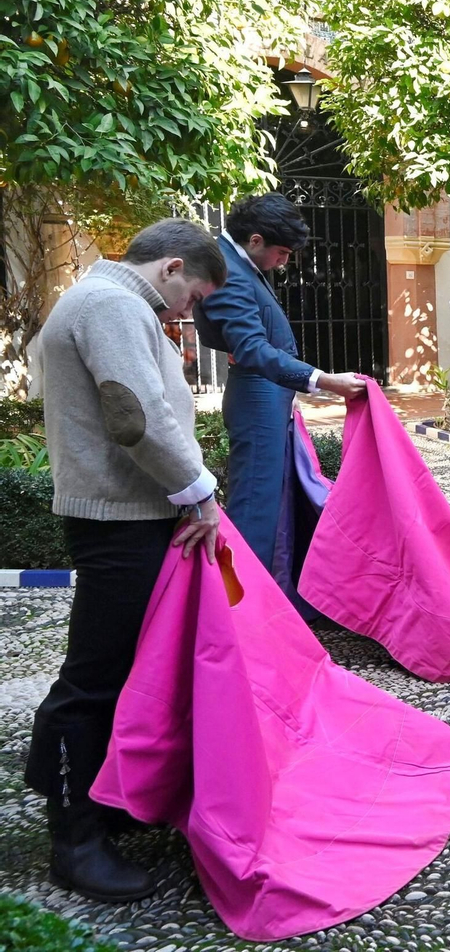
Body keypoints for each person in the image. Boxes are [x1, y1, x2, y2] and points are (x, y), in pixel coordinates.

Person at [26, 219, 228, 902]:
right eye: (194, 295)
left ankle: (95, 802)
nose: (188, 310)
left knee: (117, 668)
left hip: (119, 513)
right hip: (121, 521)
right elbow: (135, 416)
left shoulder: (91, 298)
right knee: (96, 676)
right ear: (172, 267)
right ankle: (74, 840)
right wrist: (199, 492)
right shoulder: (114, 306)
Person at [194, 194, 365, 621]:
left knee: (273, 500)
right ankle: (243, 617)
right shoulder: (229, 273)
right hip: (257, 396)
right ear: (255, 240)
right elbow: (251, 348)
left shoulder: (239, 265)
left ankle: (265, 603)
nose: (284, 261)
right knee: (257, 506)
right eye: (282, 252)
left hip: (267, 396)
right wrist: (322, 381)